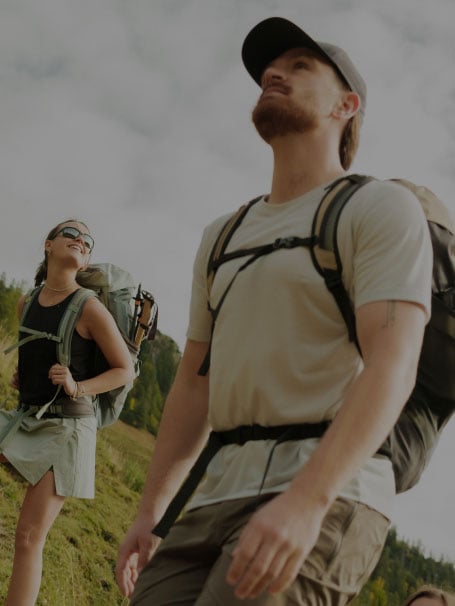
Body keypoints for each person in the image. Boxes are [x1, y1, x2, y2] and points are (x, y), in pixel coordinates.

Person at [116, 16, 433, 605]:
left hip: (329, 489)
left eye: (300, 66)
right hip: (215, 493)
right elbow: (194, 384)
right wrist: (151, 511)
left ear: (346, 105)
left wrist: (308, 500)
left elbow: (394, 364)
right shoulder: (222, 235)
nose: (273, 73)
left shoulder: (379, 208)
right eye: (270, 68)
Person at [0, 219, 135, 606]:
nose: (81, 241)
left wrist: (78, 387)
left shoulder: (89, 308)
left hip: (69, 428)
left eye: (87, 241)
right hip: (29, 416)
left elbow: (124, 370)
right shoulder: (27, 302)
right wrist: (25, 378)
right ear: (49, 245)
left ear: (86, 259)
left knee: (28, 537)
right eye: (72, 234)